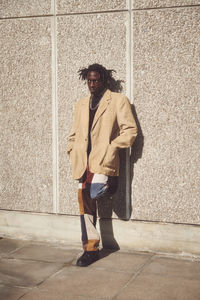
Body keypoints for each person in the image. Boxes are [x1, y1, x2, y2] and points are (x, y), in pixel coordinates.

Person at [66, 63, 137, 267]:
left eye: (95, 80)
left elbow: (130, 131)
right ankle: (90, 249)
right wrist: (71, 149)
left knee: (97, 192)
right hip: (83, 162)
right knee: (85, 202)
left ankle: (110, 183)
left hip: (103, 159)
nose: (92, 84)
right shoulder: (80, 104)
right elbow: (74, 133)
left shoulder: (118, 101)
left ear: (104, 80)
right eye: (89, 80)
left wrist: (113, 147)